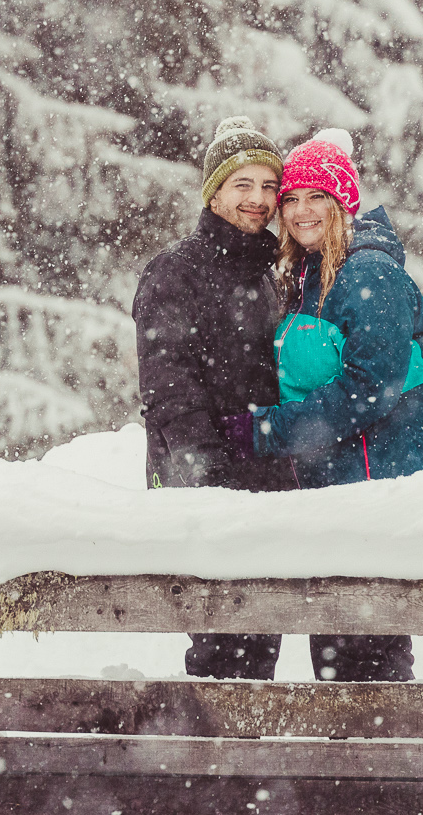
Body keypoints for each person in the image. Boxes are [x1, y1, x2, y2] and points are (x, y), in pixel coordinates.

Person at [218, 128, 423, 682]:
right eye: (291, 199)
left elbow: (371, 390)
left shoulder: (367, 273)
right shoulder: (312, 275)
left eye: (316, 197)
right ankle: (353, 764)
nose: (300, 211)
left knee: (367, 658)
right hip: (338, 493)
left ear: (343, 201)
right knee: (340, 657)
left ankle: (382, 764)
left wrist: (266, 431)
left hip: (378, 493)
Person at [133, 115, 298, 680]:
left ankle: (248, 764)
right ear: (215, 192)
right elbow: (168, 386)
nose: (259, 200)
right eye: (243, 185)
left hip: (267, 483)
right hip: (205, 488)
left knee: (259, 646)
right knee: (220, 646)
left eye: (269, 186)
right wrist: (207, 473)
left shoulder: (275, 272)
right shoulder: (175, 271)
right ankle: (212, 765)